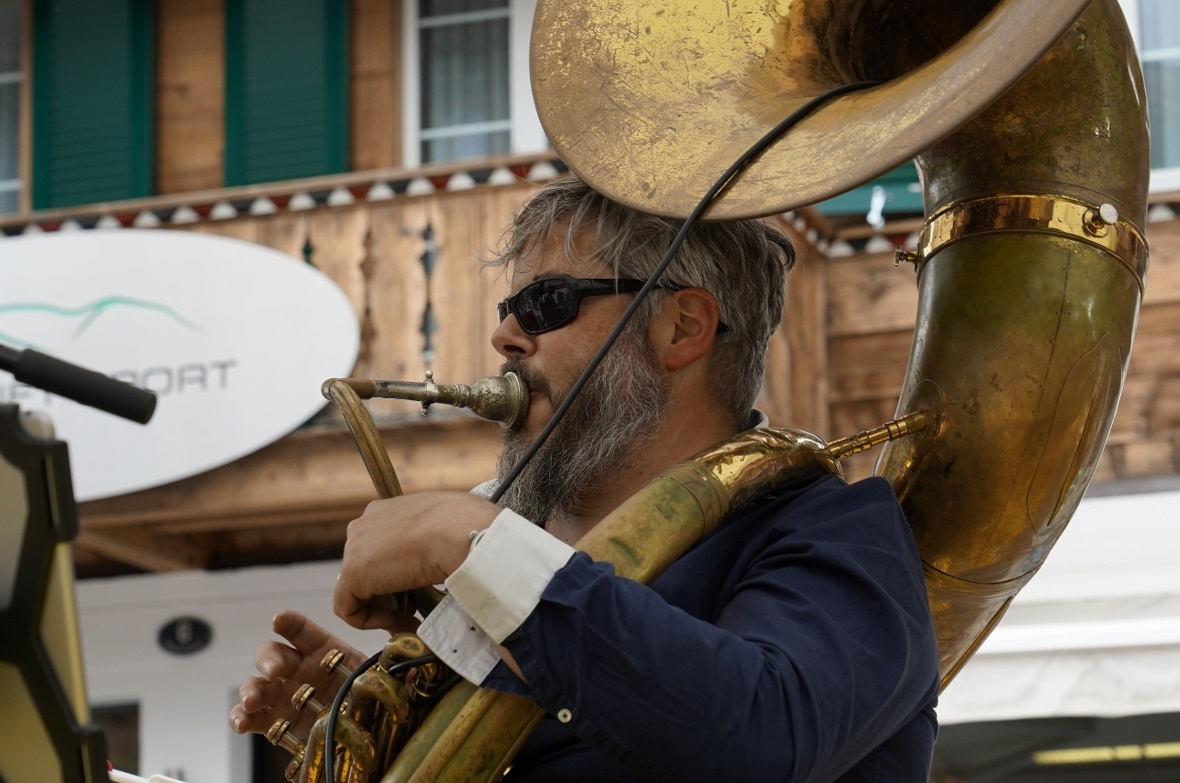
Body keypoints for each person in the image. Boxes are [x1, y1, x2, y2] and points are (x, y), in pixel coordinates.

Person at [230, 176, 940, 782]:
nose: (505, 337)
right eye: (508, 311)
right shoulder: (531, 569)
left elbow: (761, 735)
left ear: (681, 327)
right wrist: (401, 746)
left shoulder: (839, 532)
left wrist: (470, 539)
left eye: (545, 304)